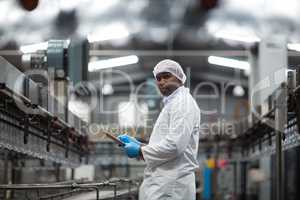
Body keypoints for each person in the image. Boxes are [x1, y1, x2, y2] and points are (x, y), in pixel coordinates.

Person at [118, 59, 201, 200]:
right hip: (165, 182)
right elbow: (167, 143)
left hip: (171, 185)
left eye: (166, 76)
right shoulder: (173, 103)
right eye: (158, 78)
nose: (162, 81)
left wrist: (140, 151)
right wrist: (141, 145)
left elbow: (175, 146)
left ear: (180, 78)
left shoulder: (182, 104)